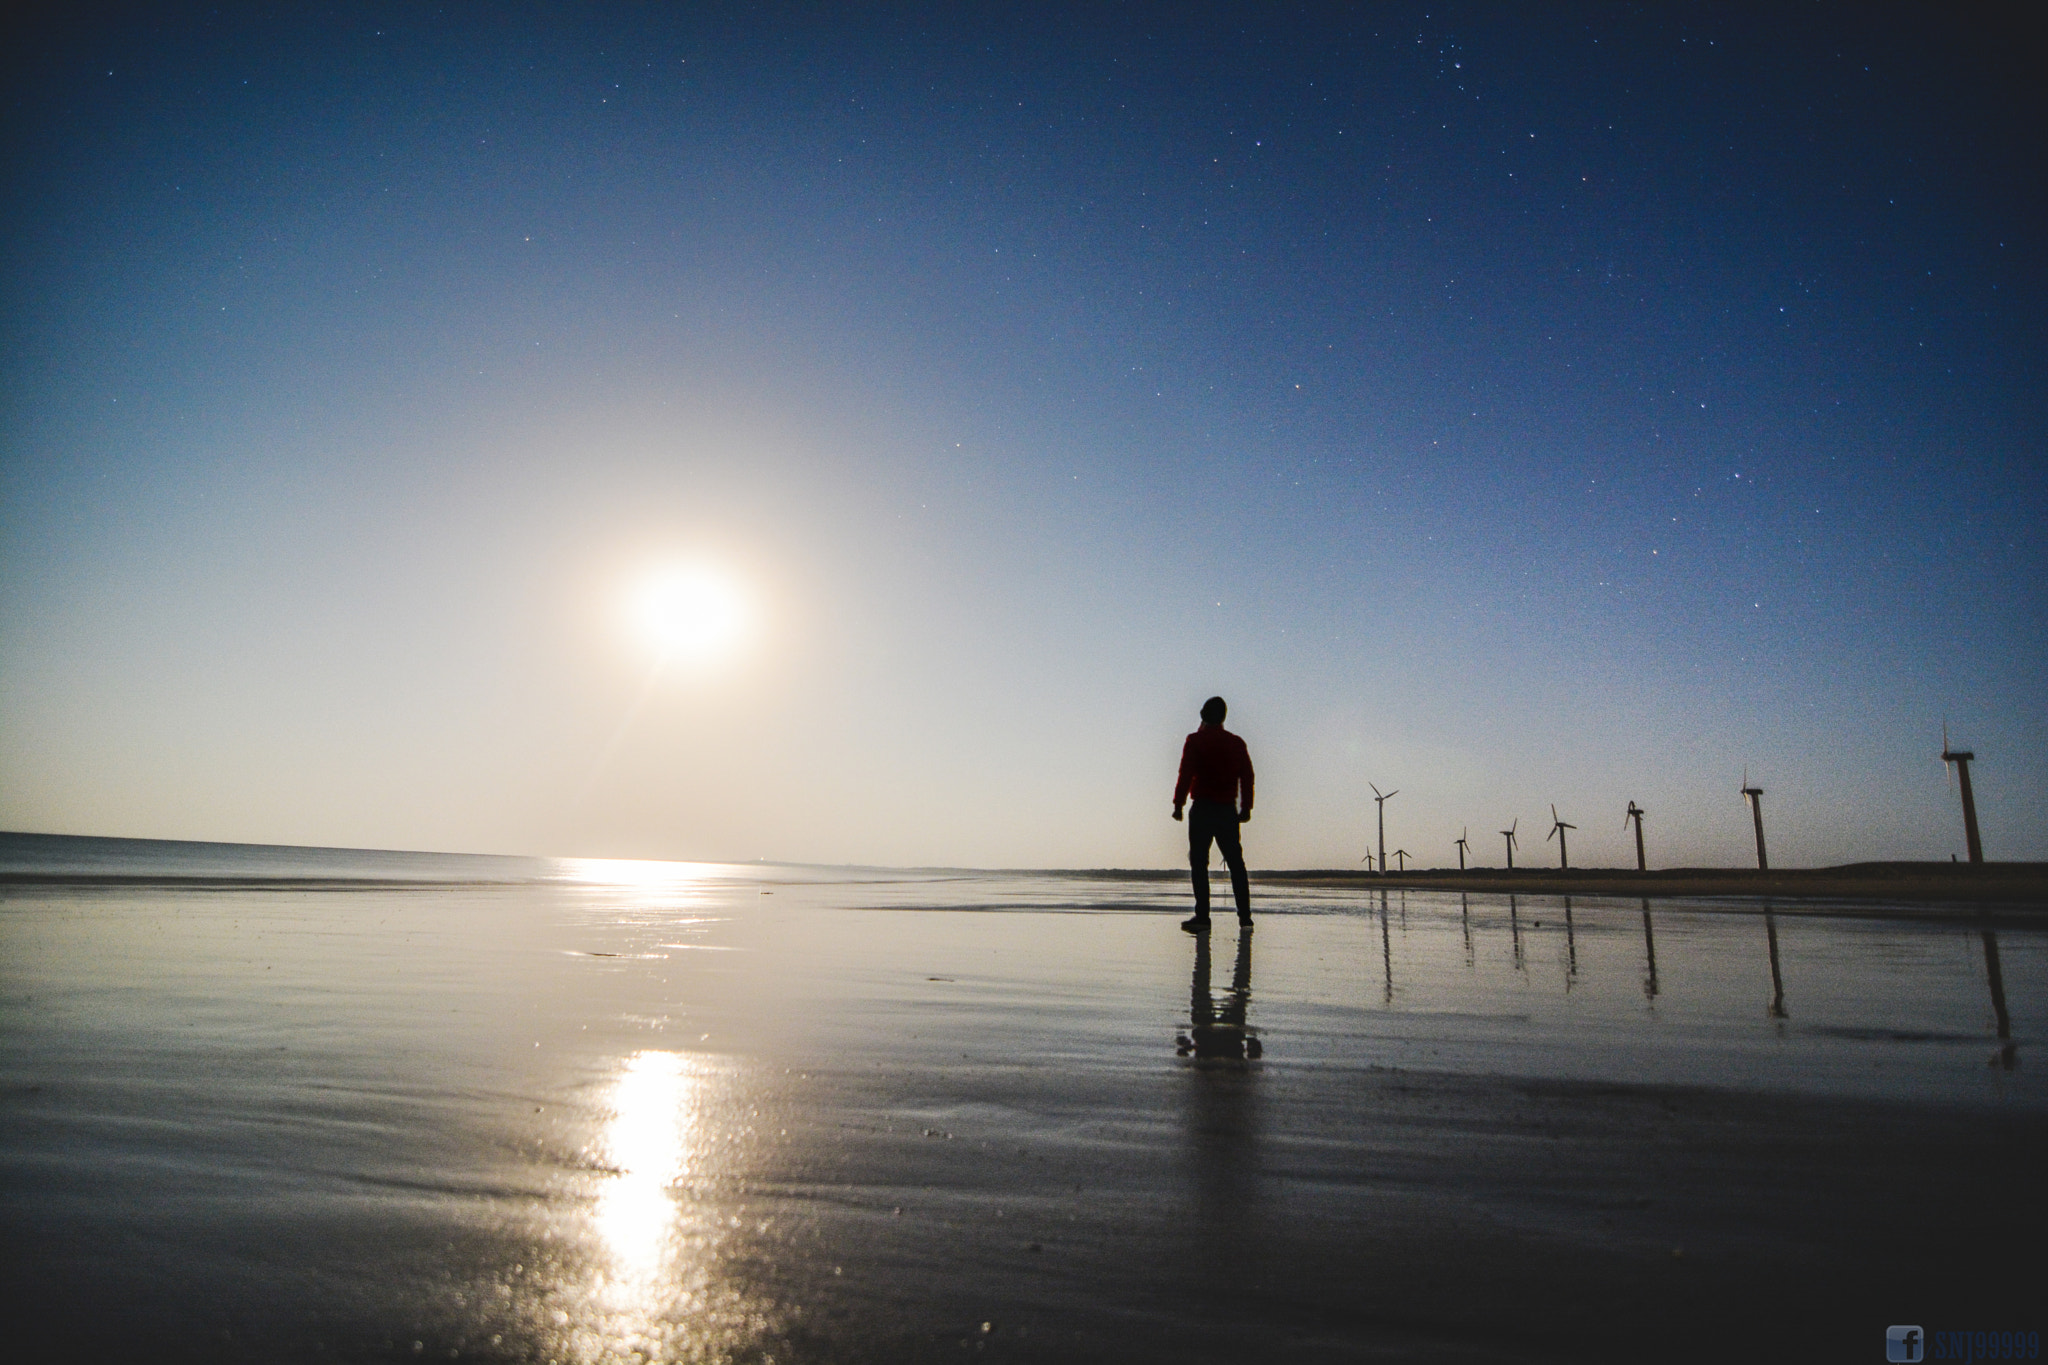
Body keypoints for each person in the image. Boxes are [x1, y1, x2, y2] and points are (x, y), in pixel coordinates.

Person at [1171, 696, 1254, 932]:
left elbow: (1185, 773)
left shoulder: (1195, 740)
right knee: (1236, 864)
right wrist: (1246, 806)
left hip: (1203, 809)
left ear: (1203, 715)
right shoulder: (1236, 743)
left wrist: (1178, 804)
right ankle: (1245, 917)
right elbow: (1247, 776)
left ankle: (1203, 917)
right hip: (1227, 810)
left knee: (1199, 863)